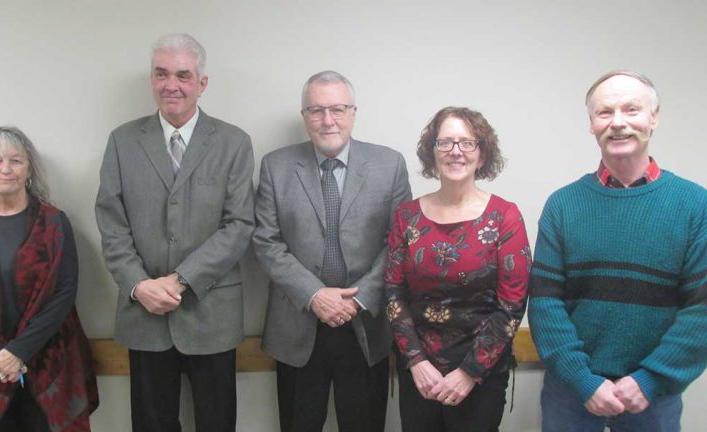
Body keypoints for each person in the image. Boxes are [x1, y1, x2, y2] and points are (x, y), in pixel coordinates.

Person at [528, 70, 707, 432]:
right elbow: (546, 303)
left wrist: (651, 379)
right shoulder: (563, 205)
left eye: (632, 110)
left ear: (653, 118)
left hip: (652, 397)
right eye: (605, 112)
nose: (619, 123)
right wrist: (584, 380)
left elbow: (701, 307)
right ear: (592, 125)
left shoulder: (695, 205)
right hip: (571, 395)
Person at [95, 33, 254, 431]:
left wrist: (181, 280)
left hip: (211, 313)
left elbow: (239, 225)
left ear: (202, 83)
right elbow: (111, 224)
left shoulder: (234, 142)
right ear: (151, 80)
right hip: (143, 314)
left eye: (183, 75)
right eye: (161, 74)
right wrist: (139, 285)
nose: (172, 85)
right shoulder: (122, 141)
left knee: (217, 423)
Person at [253, 70, 411, 432]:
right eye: (316, 110)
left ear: (353, 112)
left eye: (337, 109)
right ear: (304, 116)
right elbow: (266, 241)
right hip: (296, 324)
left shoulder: (390, 165)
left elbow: (398, 243)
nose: (327, 120)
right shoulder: (276, 167)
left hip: (365, 325)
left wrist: (356, 299)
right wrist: (314, 295)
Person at [0, 126, 98, 431]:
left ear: (29, 169)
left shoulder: (54, 223)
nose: (5, 170)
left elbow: (65, 293)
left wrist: (18, 352)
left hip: (48, 364)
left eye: (15, 160)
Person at [384, 107, 531, 431]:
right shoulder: (406, 216)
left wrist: (469, 373)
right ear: (431, 152)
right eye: (445, 142)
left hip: (481, 376)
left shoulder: (504, 217)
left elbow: (512, 304)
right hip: (419, 374)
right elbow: (393, 293)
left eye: (467, 143)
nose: (455, 151)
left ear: (482, 155)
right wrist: (417, 362)